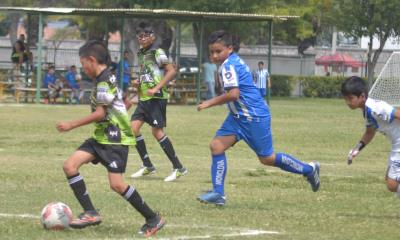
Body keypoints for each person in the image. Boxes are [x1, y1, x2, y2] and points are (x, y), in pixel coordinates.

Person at [196, 30, 320, 206]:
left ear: (229, 49)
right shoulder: (231, 61)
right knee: (216, 146)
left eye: (218, 51)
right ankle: (218, 194)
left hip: (253, 116)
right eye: (212, 52)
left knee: (267, 158)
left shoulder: (228, 66)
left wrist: (209, 103)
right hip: (238, 116)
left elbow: (233, 94)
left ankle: (309, 170)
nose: (214, 56)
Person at [56, 40, 165, 237]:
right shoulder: (106, 78)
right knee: (70, 166)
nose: (83, 69)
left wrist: (72, 124)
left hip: (115, 139)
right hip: (101, 137)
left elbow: (100, 113)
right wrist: (127, 105)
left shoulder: (105, 79)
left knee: (117, 184)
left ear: (91, 60)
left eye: (83, 64)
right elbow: (120, 103)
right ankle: (90, 212)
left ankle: (153, 218)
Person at [129, 24, 187, 182]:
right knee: (133, 129)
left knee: (157, 132)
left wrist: (156, 88)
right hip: (144, 99)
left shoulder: (157, 52)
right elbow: (148, 74)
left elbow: (172, 70)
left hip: (157, 98)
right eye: (140, 35)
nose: (142, 38)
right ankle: (148, 165)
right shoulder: (141, 54)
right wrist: (138, 83)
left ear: (153, 37)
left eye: (146, 35)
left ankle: (179, 167)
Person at [341, 76, 400, 199]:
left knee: (392, 184)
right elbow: (369, 133)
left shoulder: (375, 108)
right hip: (396, 144)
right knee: (390, 182)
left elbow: (397, 113)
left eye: (350, 98)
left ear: (362, 96)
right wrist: (356, 149)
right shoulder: (367, 111)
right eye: (345, 98)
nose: (347, 102)